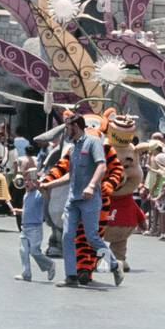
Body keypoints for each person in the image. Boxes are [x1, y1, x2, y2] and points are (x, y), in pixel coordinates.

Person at [41, 112, 123, 287]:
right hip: (73, 200)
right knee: (67, 236)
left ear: (76, 127)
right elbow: (71, 174)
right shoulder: (73, 147)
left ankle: (115, 265)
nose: (66, 132)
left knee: (92, 237)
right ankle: (71, 276)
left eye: (68, 128)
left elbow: (102, 165)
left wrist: (92, 185)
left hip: (90, 199)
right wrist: (49, 184)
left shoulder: (93, 143)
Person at [11, 165, 56, 282]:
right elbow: (27, 210)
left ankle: (50, 265)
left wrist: (40, 186)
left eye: (30, 180)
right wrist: (18, 211)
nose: (27, 183)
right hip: (24, 228)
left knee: (34, 252)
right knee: (23, 251)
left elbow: (46, 197)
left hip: (35, 228)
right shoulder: (26, 195)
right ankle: (26, 274)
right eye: (25, 180)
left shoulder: (38, 193)